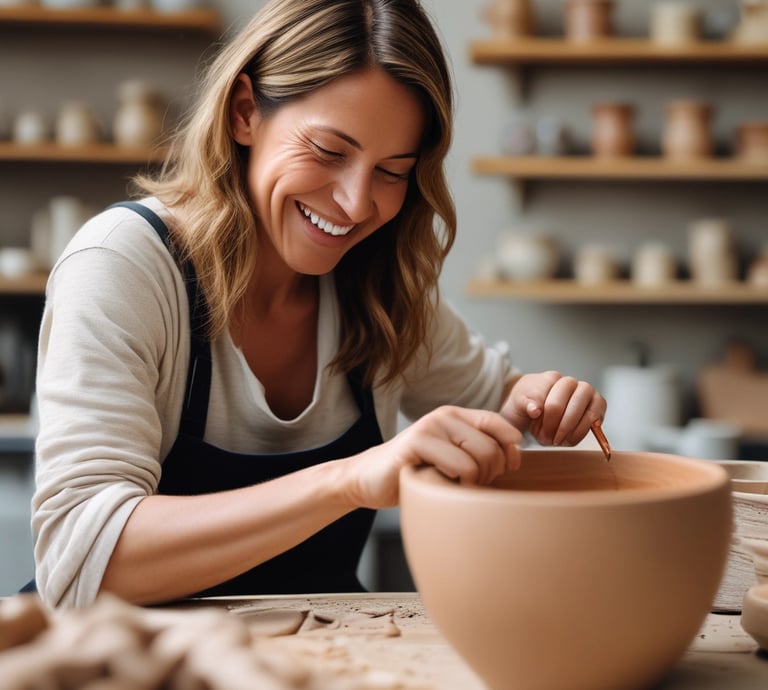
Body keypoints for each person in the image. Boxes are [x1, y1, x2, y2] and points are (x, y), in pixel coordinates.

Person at [31, 0, 607, 609]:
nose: (358, 204)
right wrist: (350, 480)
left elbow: (499, 402)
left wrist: (541, 402)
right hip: (128, 663)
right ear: (245, 112)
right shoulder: (123, 265)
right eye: (330, 152)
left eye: (392, 170)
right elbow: (80, 564)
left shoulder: (382, 286)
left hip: (319, 658)